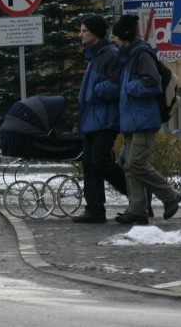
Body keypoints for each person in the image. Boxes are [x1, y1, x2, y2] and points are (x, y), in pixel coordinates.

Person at [111, 14, 181, 225]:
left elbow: (153, 83)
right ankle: (137, 209)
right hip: (133, 122)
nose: (114, 41)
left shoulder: (141, 55)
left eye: (115, 37)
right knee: (127, 162)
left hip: (144, 120)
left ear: (124, 36)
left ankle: (170, 196)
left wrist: (129, 87)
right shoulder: (129, 56)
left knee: (136, 162)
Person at [71, 15, 127, 224]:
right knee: (90, 163)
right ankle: (94, 209)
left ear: (95, 33)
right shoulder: (94, 56)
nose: (80, 34)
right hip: (92, 118)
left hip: (105, 118)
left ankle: (138, 195)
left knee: (101, 160)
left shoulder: (110, 55)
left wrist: (96, 90)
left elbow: (116, 85)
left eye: (84, 30)